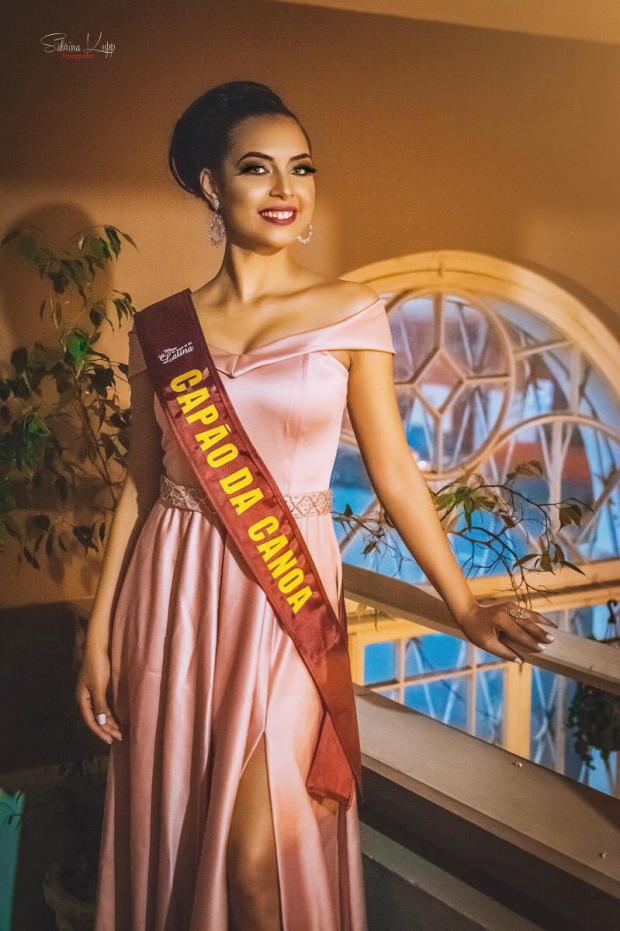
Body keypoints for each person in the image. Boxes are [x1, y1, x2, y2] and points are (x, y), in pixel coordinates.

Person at [76, 80, 558, 931]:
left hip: (285, 597)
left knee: (252, 860)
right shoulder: (161, 330)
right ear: (210, 185)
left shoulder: (349, 312)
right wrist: (98, 635)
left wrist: (464, 603)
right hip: (176, 595)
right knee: (183, 824)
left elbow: (394, 471)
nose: (285, 188)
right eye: (256, 168)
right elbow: (141, 487)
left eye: (301, 168)